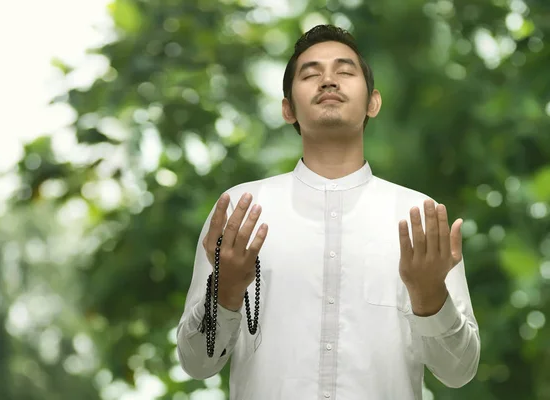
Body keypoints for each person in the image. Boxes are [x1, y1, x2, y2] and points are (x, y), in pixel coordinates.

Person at [176, 24, 480, 400]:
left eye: (345, 71)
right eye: (310, 74)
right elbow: (197, 363)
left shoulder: (419, 216)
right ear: (288, 109)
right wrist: (226, 291)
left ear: (373, 102)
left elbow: (459, 371)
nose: (328, 81)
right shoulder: (241, 213)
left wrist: (430, 296)